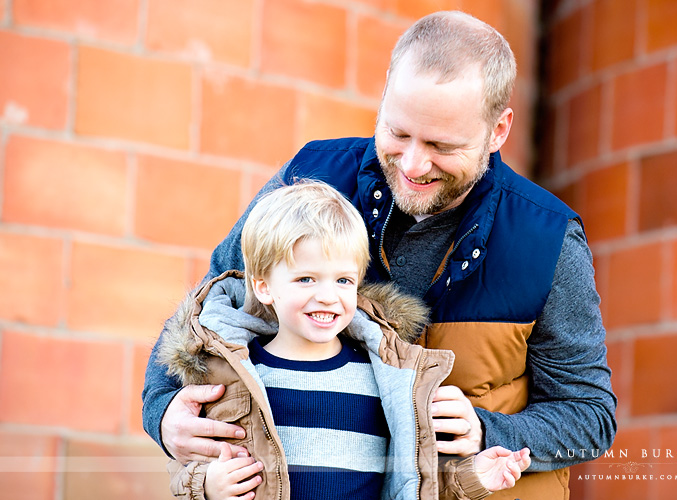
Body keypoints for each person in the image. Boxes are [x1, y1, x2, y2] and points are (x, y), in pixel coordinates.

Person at [143, 10, 616, 499]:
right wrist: (162, 413)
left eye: (441, 145)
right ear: (386, 92)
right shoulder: (310, 178)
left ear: (499, 130)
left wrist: (488, 431)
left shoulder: (550, 240)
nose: (413, 164)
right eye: (398, 132)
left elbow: (591, 415)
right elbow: (206, 311)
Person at [158, 182, 531, 500]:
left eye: (343, 281)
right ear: (263, 287)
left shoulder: (385, 376)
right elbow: (187, 467)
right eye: (306, 279)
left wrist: (476, 477)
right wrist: (206, 485)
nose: (327, 296)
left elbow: (412, 481)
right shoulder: (236, 375)